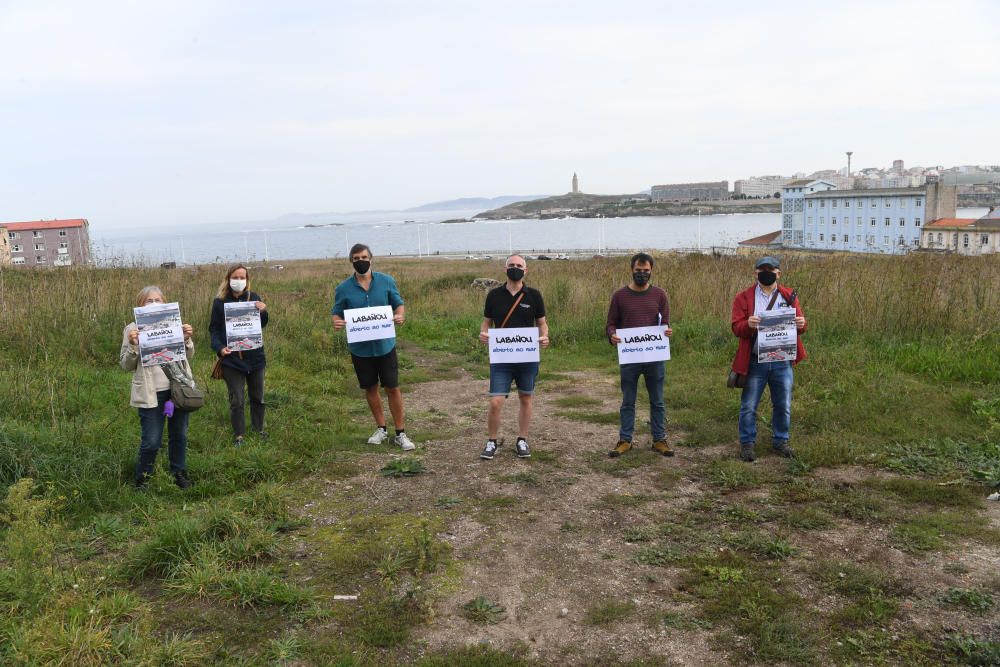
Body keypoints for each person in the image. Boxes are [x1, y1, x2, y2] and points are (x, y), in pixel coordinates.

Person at [332, 244, 416, 451]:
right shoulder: (343, 288)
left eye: (363, 257)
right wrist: (336, 321)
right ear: (351, 261)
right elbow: (337, 312)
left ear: (371, 258)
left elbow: (398, 303)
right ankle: (381, 428)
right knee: (370, 387)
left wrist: (400, 315)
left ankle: (400, 432)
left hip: (385, 345)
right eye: (356, 258)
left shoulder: (387, 281)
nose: (360, 261)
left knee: (392, 388)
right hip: (360, 348)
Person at [730, 255, 807, 462]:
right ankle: (747, 443)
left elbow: (801, 326)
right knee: (748, 405)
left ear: (778, 273)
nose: (766, 273)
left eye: (771, 270)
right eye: (762, 270)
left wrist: (802, 324)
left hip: (782, 360)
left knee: (783, 404)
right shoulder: (743, 297)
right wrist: (748, 324)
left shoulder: (789, 296)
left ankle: (780, 440)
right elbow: (736, 328)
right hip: (756, 360)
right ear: (755, 273)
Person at [119, 285, 195, 490]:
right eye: (148, 301)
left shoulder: (173, 324)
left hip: (177, 390)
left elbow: (188, 358)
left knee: (179, 435)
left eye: (157, 300)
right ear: (140, 305)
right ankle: (143, 477)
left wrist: (186, 340)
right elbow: (125, 365)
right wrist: (134, 345)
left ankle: (179, 472)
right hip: (151, 392)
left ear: (165, 302)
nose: (153, 304)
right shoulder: (132, 329)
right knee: (151, 440)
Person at [478, 254, 550, 460]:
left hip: (527, 358)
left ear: (525, 271)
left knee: (526, 398)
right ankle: (492, 441)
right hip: (502, 359)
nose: (515, 268)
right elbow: (486, 322)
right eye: (512, 265)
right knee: (495, 402)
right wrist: (483, 334)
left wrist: (544, 336)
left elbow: (542, 323)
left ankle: (522, 439)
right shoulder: (494, 295)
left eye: (519, 266)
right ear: (505, 268)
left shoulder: (534, 295)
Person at [606, 252, 674, 458]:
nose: (642, 274)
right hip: (630, 359)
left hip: (654, 358)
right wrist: (612, 336)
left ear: (651, 271)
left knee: (658, 401)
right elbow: (610, 324)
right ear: (632, 270)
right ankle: (625, 440)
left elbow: (665, 323)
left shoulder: (660, 295)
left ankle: (659, 439)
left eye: (646, 271)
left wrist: (667, 331)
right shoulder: (619, 296)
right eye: (638, 271)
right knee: (628, 401)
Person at [209, 263, 269, 447]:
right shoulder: (219, 302)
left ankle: (259, 429)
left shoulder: (254, 298)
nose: (239, 281)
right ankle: (239, 435)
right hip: (232, 359)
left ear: (247, 280)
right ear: (228, 279)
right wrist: (220, 348)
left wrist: (263, 311)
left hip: (255, 357)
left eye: (243, 277)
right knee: (237, 399)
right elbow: (214, 330)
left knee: (257, 397)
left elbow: (262, 324)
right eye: (235, 277)